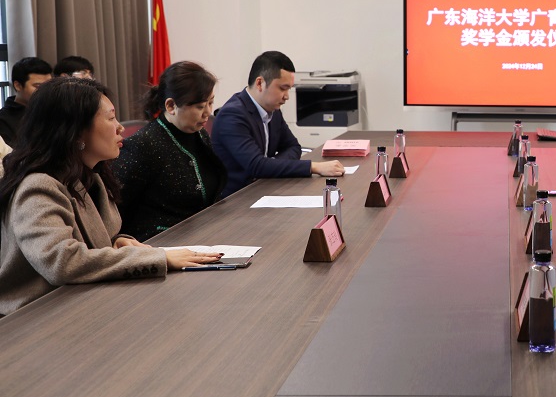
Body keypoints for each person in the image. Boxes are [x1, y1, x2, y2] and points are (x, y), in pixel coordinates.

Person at [0, 77, 222, 316]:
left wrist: (118, 240)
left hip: (81, 300)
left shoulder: (90, 175)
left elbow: (92, 239)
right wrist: (159, 258)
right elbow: (62, 262)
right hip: (35, 315)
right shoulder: (38, 187)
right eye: (110, 118)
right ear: (75, 131)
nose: (120, 127)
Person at [112, 61, 228, 242]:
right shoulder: (143, 145)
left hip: (203, 234)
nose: (207, 113)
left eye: (210, 103)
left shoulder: (199, 134)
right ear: (171, 106)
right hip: (160, 242)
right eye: (200, 106)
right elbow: (117, 212)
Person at [212, 51, 344, 198]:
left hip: (266, 190)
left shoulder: (273, 110)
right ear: (260, 83)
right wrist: (313, 167)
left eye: (289, 89)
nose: (286, 96)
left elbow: (293, 147)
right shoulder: (232, 115)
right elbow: (256, 165)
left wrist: (270, 164)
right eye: (282, 88)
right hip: (237, 200)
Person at [0, 56, 52, 146]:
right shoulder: (3, 120)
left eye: (49, 85)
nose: (45, 90)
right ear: (18, 85)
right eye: (38, 86)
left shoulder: (54, 111)